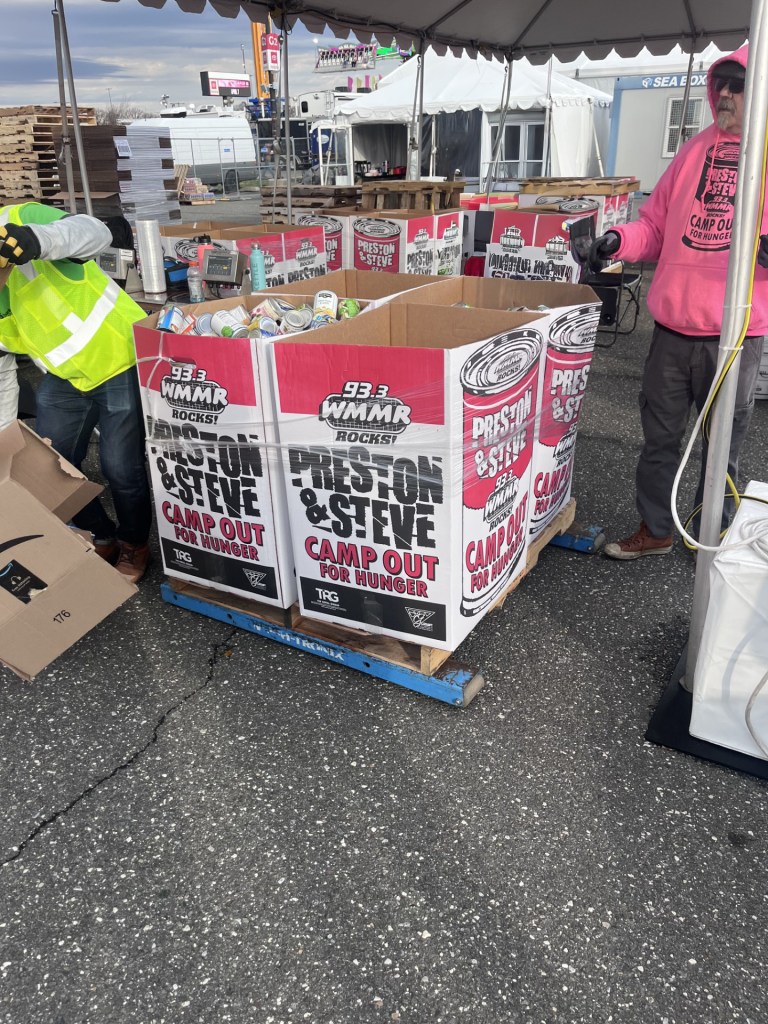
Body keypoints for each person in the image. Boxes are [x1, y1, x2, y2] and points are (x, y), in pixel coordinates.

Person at [588, 44, 768, 560]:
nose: (726, 94)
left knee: (721, 446)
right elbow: (654, 227)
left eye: (739, 85)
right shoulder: (692, 151)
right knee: (659, 440)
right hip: (671, 331)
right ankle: (656, 529)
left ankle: (709, 533)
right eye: (722, 83)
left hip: (734, 335)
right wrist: (618, 241)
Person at [0, 202, 152, 583]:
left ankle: (134, 543)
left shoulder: (19, 220)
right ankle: (102, 534)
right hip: (67, 375)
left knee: (120, 467)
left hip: (116, 356)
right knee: (50, 466)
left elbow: (96, 232)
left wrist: (38, 240)